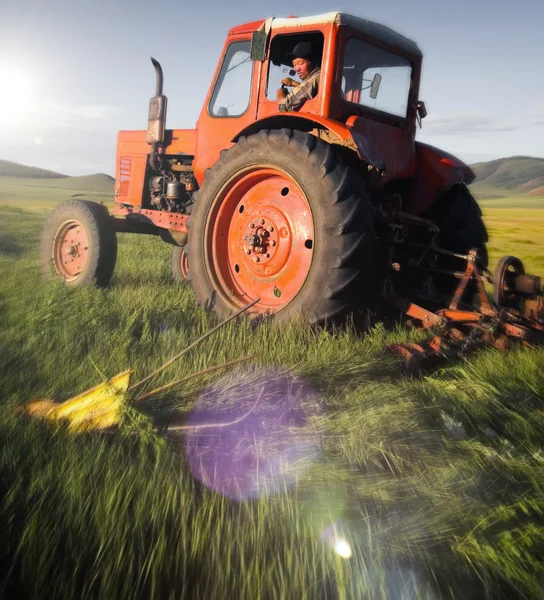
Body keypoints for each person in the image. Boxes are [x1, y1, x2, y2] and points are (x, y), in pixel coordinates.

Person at [277, 42, 320, 112]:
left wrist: (280, 93)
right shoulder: (320, 76)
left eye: (301, 63)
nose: (297, 69)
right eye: (294, 64)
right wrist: (295, 84)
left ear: (315, 62)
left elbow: (284, 107)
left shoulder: (315, 78)